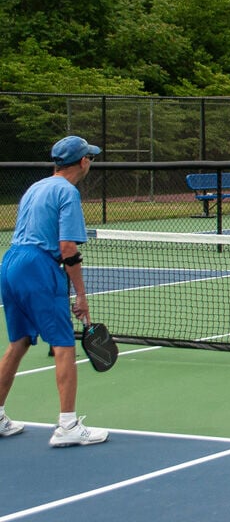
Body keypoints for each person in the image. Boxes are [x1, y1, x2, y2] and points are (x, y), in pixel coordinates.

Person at [0, 136, 109, 446]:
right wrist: (81, 295)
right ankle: (68, 426)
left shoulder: (36, 187)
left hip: (10, 263)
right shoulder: (67, 192)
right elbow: (67, 247)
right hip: (38, 268)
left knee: (18, 342)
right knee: (63, 344)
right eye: (90, 157)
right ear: (83, 162)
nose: (91, 161)